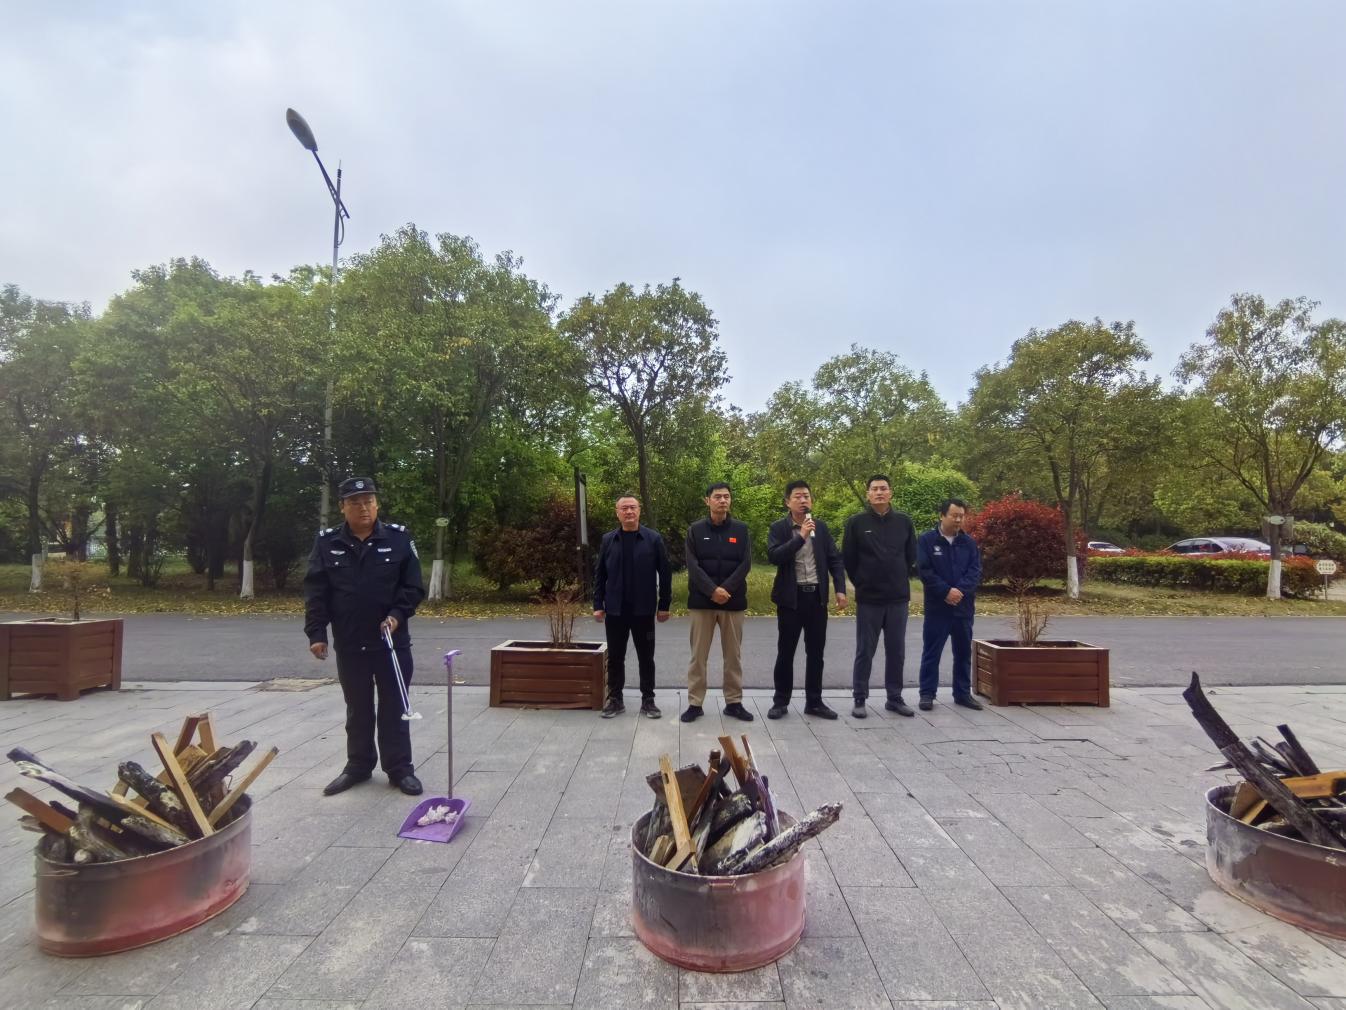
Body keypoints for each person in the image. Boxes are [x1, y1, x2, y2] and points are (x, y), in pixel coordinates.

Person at [303, 477, 426, 796]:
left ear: (377, 504)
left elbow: (413, 587)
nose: (363, 508)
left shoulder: (398, 539)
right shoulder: (327, 543)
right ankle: (358, 766)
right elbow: (316, 592)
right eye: (355, 502)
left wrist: (397, 615)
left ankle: (400, 769)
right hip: (350, 642)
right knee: (357, 709)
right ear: (342, 507)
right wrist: (317, 633)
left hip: (391, 643)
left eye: (369, 501)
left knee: (394, 707)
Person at [765, 480, 847, 720]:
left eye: (807, 496)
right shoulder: (778, 528)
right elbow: (775, 556)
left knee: (816, 654)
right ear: (787, 502)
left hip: (817, 599)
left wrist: (840, 589)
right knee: (786, 652)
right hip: (791, 600)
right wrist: (800, 536)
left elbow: (834, 559)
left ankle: (814, 702)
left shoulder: (820, 527)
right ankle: (780, 702)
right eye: (798, 496)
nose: (803, 500)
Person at [842, 474, 918, 718]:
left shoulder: (904, 522)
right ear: (868, 494)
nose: (879, 493)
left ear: (890, 492)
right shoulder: (856, 522)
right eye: (874, 489)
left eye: (883, 488)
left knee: (896, 651)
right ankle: (859, 698)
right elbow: (849, 559)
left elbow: (911, 556)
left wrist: (898, 577)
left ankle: (894, 698)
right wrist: (862, 582)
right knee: (865, 650)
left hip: (897, 598)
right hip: (869, 599)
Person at [593, 493, 672, 719]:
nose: (629, 511)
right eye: (624, 508)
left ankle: (648, 701)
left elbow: (665, 573)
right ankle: (615, 700)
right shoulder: (609, 540)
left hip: (643, 610)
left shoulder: (653, 539)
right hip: (615, 610)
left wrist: (664, 605)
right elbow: (600, 574)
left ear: (639, 511)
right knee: (615, 657)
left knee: (646, 657)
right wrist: (598, 604)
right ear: (617, 513)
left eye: (633, 507)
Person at [682, 482, 754, 723]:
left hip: (733, 602)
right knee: (698, 656)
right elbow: (692, 565)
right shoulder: (695, 530)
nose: (723, 500)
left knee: (733, 656)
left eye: (726, 496)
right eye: (717, 497)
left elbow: (745, 563)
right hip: (702, 602)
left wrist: (726, 590)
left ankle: (734, 702)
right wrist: (712, 590)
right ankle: (695, 703)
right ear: (707, 501)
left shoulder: (741, 530)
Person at [916, 498, 984, 711]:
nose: (958, 520)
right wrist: (945, 591)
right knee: (932, 652)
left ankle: (962, 694)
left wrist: (959, 591)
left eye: (961, 516)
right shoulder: (927, 540)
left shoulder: (969, 543)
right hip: (938, 608)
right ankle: (927, 694)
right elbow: (925, 570)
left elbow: (975, 571)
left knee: (963, 653)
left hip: (963, 608)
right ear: (942, 516)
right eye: (954, 515)